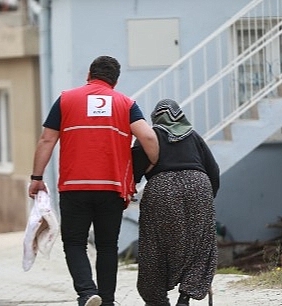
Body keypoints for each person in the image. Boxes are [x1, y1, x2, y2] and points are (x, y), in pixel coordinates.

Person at [28, 55, 159, 306]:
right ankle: (107, 301)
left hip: (74, 187)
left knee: (74, 242)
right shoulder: (126, 103)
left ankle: (88, 293)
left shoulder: (66, 100)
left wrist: (37, 178)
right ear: (115, 80)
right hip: (111, 188)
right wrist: (150, 166)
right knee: (108, 246)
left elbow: (47, 140)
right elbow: (149, 139)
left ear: (89, 74)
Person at [132, 99, 220, 306]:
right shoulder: (193, 135)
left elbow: (134, 171)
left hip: (161, 189)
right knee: (201, 244)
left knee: (155, 244)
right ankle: (186, 295)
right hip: (198, 185)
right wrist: (207, 201)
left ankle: (156, 299)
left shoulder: (149, 137)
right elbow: (213, 170)